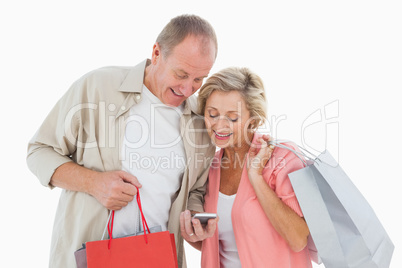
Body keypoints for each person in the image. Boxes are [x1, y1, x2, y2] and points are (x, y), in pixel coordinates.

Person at [26, 14, 219, 268]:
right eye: (181, 74)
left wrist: (195, 220)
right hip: (87, 257)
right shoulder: (98, 87)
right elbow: (39, 151)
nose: (187, 89)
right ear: (157, 52)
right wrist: (94, 183)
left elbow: (195, 191)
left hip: (158, 260)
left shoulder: (200, 122)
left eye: (198, 79)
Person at [183, 67, 312, 267]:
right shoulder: (210, 167)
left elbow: (297, 240)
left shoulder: (282, 157)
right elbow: (220, 243)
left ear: (255, 119)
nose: (219, 125)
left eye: (232, 117)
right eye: (212, 114)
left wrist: (256, 178)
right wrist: (193, 235)